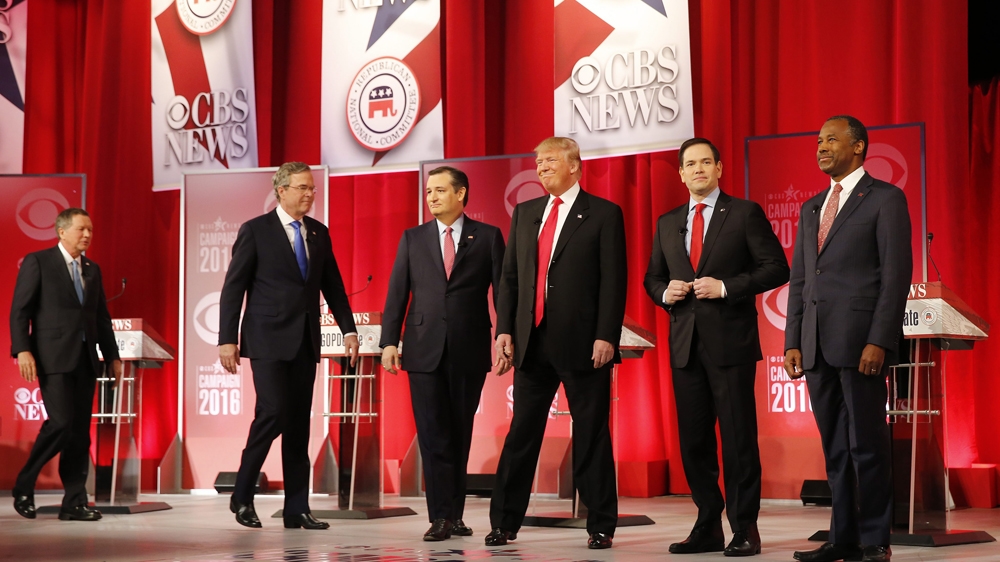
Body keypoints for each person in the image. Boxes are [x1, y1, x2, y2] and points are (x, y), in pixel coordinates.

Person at [644, 138, 789, 557]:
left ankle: (745, 528)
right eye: (690, 164)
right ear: (681, 173)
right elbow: (652, 278)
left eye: (706, 162)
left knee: (739, 439)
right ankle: (707, 523)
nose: (699, 169)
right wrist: (663, 292)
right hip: (685, 346)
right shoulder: (668, 221)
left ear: (719, 168)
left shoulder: (744, 213)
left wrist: (727, 287)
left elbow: (776, 267)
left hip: (731, 344)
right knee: (694, 443)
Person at [488, 136, 627, 550]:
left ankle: (600, 524)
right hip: (532, 342)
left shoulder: (603, 214)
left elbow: (613, 281)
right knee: (521, 436)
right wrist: (505, 330)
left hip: (585, 343)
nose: (541, 167)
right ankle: (504, 522)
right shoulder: (527, 213)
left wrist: (606, 334)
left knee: (591, 434)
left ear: (575, 166)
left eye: (549, 161)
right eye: (538, 161)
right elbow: (510, 279)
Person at [784, 116, 912, 562]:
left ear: (858, 147)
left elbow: (895, 278)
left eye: (831, 140)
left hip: (861, 345)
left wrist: (880, 339)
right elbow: (801, 279)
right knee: (835, 448)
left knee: (868, 445)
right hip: (816, 344)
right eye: (818, 140)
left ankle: (876, 539)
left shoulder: (885, 199)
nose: (821, 147)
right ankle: (842, 538)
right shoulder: (811, 207)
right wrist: (792, 340)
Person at [218, 161, 360, 530]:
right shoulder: (256, 231)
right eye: (302, 188)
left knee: (298, 425)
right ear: (281, 190)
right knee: (272, 412)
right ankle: (243, 493)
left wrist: (348, 330)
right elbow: (234, 289)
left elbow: (334, 286)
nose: (309, 194)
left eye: (312, 188)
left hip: (305, 341)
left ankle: (297, 508)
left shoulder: (318, 233)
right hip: (266, 339)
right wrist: (226, 339)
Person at [380, 166, 505, 541]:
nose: (431, 197)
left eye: (439, 190)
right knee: (434, 435)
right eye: (429, 191)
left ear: (461, 194)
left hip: (468, 348)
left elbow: (503, 292)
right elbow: (397, 293)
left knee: (459, 433)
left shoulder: (488, 237)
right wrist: (389, 341)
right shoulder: (413, 238)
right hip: (422, 348)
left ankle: (456, 513)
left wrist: (506, 335)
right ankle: (440, 516)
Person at [10, 208, 122, 522]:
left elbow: (101, 317)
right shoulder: (39, 262)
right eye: (81, 229)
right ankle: (25, 482)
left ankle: (74, 502)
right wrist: (22, 350)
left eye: (90, 230)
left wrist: (112, 357)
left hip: (86, 361)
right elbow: (20, 310)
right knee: (60, 423)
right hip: (53, 357)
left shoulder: (92, 269)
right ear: (62, 231)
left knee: (79, 434)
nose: (87, 235)